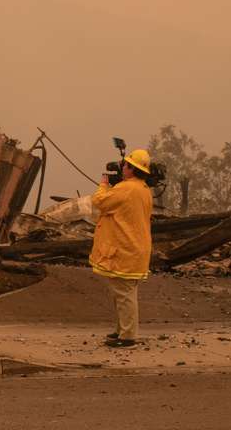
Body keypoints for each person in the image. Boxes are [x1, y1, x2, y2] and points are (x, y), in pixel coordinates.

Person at [89, 148, 154, 348]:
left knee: (125, 294)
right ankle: (121, 330)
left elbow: (99, 202)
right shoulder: (142, 189)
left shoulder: (127, 189)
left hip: (126, 249)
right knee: (122, 293)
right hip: (135, 248)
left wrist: (103, 185)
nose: (122, 168)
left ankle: (127, 337)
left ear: (132, 169)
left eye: (124, 165)